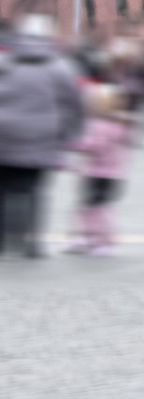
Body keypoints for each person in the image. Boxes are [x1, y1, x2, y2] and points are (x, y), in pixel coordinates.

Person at [0, 17, 84, 256]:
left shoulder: (4, 63)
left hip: (3, 137)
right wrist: (69, 134)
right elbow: (73, 104)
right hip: (41, 138)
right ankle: (32, 243)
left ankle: (3, 241)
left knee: (2, 189)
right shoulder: (59, 67)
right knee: (34, 190)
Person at [71, 70, 134, 253]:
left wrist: (74, 144)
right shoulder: (121, 124)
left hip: (98, 173)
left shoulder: (102, 125)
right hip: (112, 174)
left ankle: (100, 240)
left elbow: (94, 146)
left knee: (94, 208)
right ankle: (91, 238)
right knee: (96, 207)